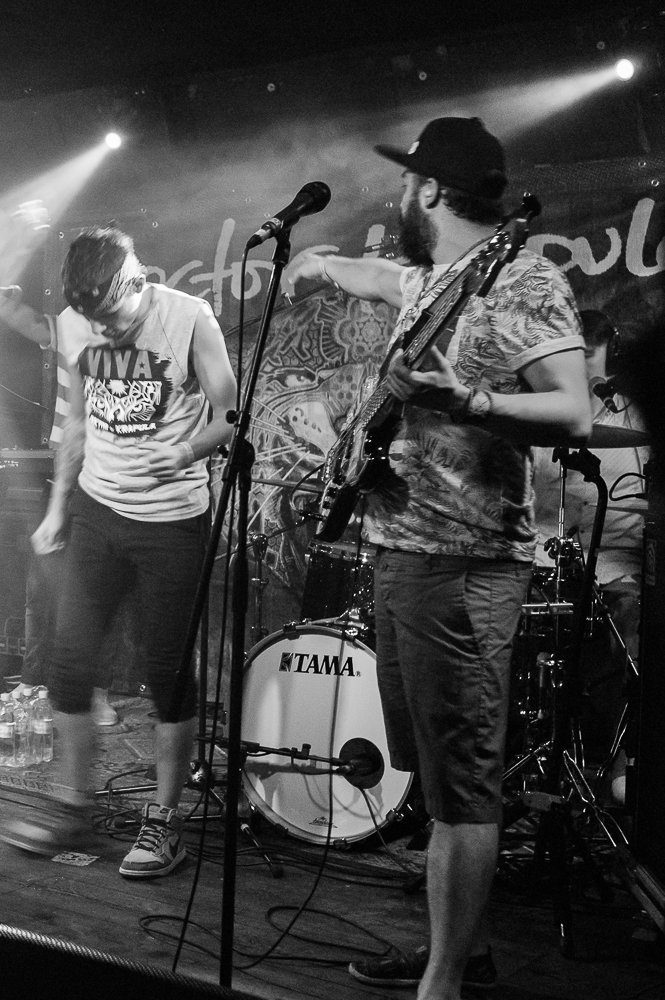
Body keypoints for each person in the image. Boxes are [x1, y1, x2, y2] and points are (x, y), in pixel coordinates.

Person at [290, 117, 592, 1000]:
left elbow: (573, 410)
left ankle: (445, 982)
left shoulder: (524, 280)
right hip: (401, 554)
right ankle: (458, 949)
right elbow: (383, 277)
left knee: (463, 785)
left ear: (425, 191)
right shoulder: (438, 279)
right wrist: (318, 264)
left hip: (464, 567)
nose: (397, 199)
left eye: (404, 186)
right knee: (429, 767)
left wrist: (467, 399)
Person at [0, 227, 236, 878]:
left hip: (171, 523)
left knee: (167, 673)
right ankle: (72, 805)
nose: (104, 330)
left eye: (113, 316)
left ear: (136, 280)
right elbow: (75, 421)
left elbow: (229, 411)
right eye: (93, 320)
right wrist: (57, 510)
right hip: (97, 514)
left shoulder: (189, 319)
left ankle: (165, 821)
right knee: (68, 664)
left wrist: (185, 452)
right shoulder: (77, 323)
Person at [532, 310, 650, 786]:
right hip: (542, 562)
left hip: (615, 564)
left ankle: (623, 769)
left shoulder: (637, 420)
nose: (591, 385)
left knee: (634, 625)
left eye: (597, 375)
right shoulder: (539, 413)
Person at [0, 284, 118, 726]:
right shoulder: (70, 322)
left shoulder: (133, 328)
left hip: (107, 474)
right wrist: (6, 303)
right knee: (40, 584)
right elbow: (34, 325)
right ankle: (34, 681)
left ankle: (97, 692)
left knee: (98, 590)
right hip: (64, 467)